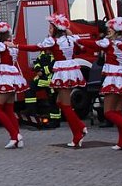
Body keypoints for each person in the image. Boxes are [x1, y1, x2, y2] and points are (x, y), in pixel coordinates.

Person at [15, 14, 86, 146]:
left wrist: (17, 46)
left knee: (65, 105)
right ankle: (80, 127)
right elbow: (80, 50)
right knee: (60, 102)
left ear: (56, 29)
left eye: (51, 27)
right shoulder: (71, 39)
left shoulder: (54, 41)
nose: (49, 29)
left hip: (63, 72)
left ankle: (78, 133)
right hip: (71, 71)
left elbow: (36, 47)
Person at [80, 17, 122, 150]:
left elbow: (94, 44)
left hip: (114, 78)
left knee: (108, 112)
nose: (108, 30)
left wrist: (77, 40)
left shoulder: (111, 42)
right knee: (118, 111)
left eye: (110, 29)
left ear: (116, 30)